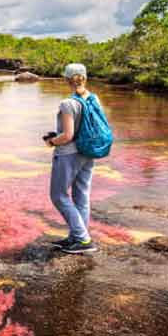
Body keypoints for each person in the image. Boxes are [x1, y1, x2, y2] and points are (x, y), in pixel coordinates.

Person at [46, 63, 97, 254]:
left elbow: (67, 136)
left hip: (69, 154)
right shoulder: (93, 99)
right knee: (81, 196)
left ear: (67, 79)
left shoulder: (68, 103)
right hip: (88, 152)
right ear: (85, 77)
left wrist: (52, 141)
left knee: (58, 195)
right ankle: (77, 237)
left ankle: (83, 240)